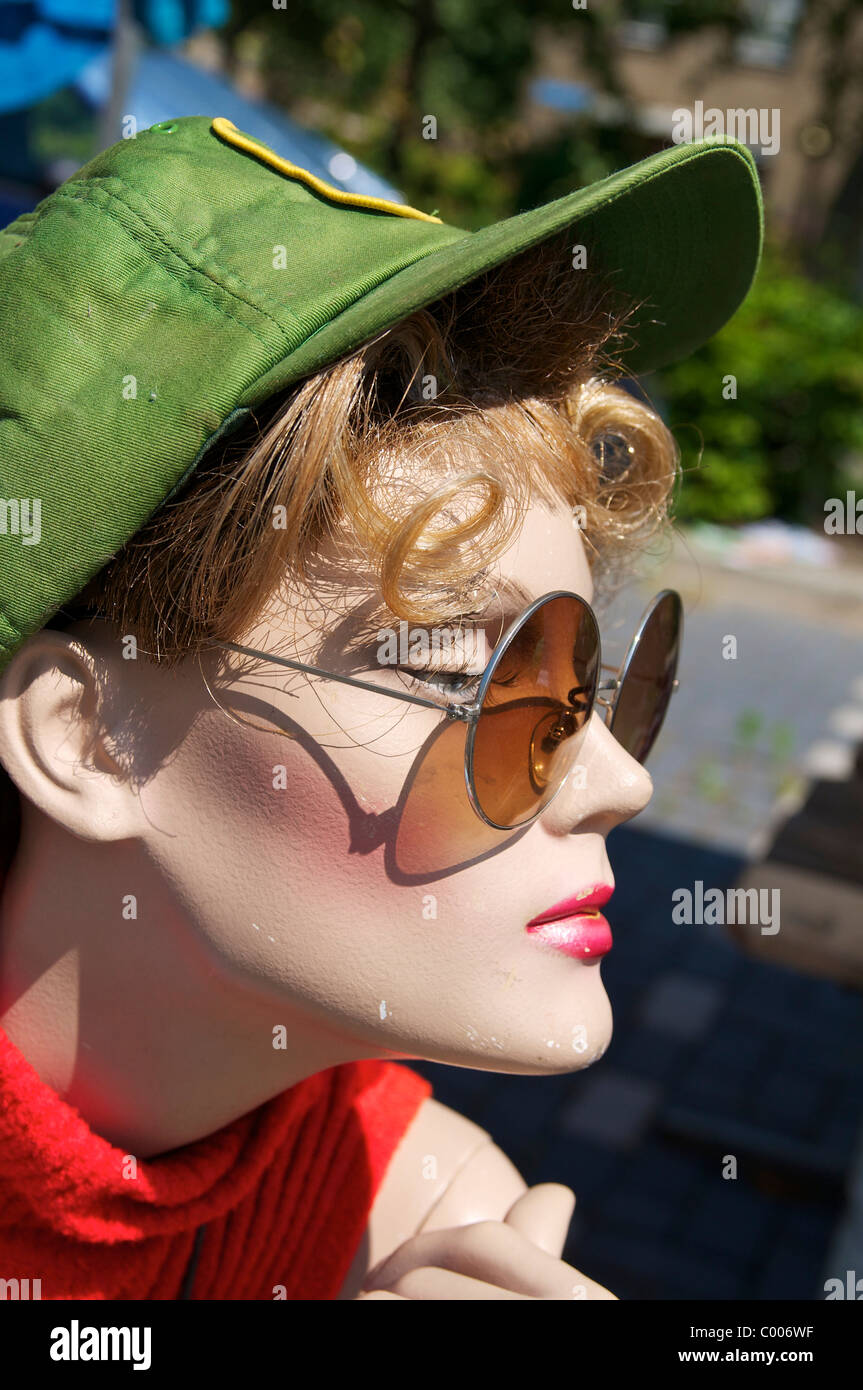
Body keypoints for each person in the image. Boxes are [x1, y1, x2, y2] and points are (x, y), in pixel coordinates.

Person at [0, 115, 762, 1300]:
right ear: (85, 737)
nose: (619, 778)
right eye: (472, 674)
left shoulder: (426, 1226)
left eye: (590, 678)